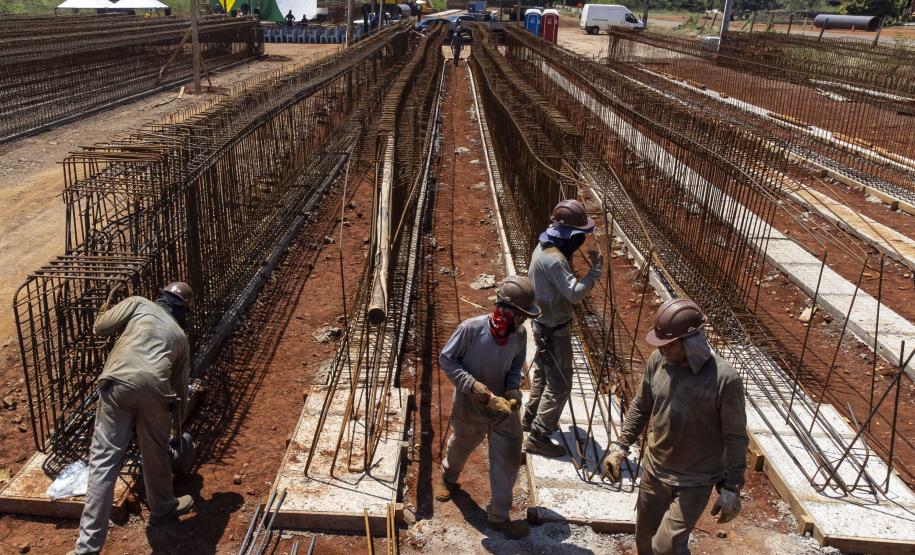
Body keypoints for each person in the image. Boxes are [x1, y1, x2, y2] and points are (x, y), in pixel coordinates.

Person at [601, 298, 748, 555]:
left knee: (666, 547)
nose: (662, 349)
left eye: (669, 343)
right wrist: (620, 445)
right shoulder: (658, 362)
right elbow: (641, 405)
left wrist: (732, 488)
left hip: (695, 480)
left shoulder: (724, 380)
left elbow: (735, 437)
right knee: (645, 542)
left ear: (692, 341)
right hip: (654, 472)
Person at [69, 282, 196, 555]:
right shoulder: (180, 337)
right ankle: (163, 507)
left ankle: (87, 549)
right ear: (184, 311)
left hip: (116, 383)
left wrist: (105, 310)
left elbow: (100, 327)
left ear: (160, 297)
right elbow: (180, 393)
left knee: (103, 463)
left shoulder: (139, 303)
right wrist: (175, 428)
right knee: (155, 453)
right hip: (156, 392)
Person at [435, 276, 539, 539]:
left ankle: (499, 517)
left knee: (508, 457)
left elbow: (515, 367)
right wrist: (472, 385)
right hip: (470, 406)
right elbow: (447, 359)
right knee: (462, 445)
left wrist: (513, 390)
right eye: (521, 315)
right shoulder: (470, 330)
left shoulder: (519, 334)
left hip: (502, 408)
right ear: (506, 311)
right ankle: (449, 478)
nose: (524, 321)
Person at [522, 199, 602, 457]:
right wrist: (594, 272)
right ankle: (538, 436)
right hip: (554, 329)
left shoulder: (543, 248)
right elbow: (575, 294)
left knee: (544, 375)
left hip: (542, 323)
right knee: (560, 386)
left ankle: (530, 417)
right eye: (579, 236)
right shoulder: (555, 260)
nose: (581, 241)